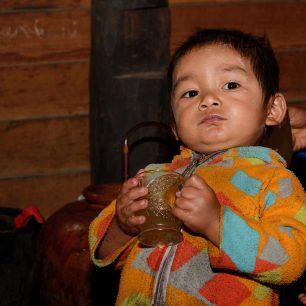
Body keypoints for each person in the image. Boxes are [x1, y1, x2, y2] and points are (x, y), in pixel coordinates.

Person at [89, 28, 306, 305]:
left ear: (273, 110)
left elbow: (291, 259)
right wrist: (122, 225)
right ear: (175, 127)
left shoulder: (275, 181)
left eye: (230, 85)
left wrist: (217, 224)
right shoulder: (157, 177)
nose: (207, 99)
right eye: (190, 92)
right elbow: (104, 254)